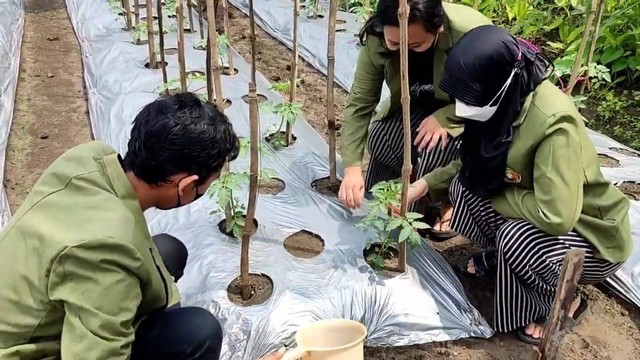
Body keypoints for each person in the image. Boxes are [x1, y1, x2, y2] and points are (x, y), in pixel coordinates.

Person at [0, 92, 283, 360]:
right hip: (25, 351)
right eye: (208, 184)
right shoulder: (105, 249)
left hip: (33, 301)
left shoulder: (89, 159)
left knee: (169, 250)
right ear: (186, 185)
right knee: (197, 331)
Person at [402, 25, 633, 344]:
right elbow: (470, 165)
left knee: (516, 236)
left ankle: (566, 299)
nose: (459, 105)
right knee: (465, 188)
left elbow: (558, 215)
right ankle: (505, 258)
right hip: (533, 207)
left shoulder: (554, 125)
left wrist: (497, 197)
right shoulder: (500, 102)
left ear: (499, 85)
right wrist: (423, 186)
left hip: (589, 237)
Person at [338, 0, 491, 241]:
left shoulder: (470, 35)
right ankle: (386, 196)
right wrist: (352, 169)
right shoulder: (376, 36)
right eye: (395, 43)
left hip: (465, 116)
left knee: (434, 151)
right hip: (414, 106)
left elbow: (492, 97)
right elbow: (360, 103)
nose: (404, 51)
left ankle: (445, 202)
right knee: (381, 139)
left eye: (415, 44)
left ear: (438, 30)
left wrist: (446, 118)